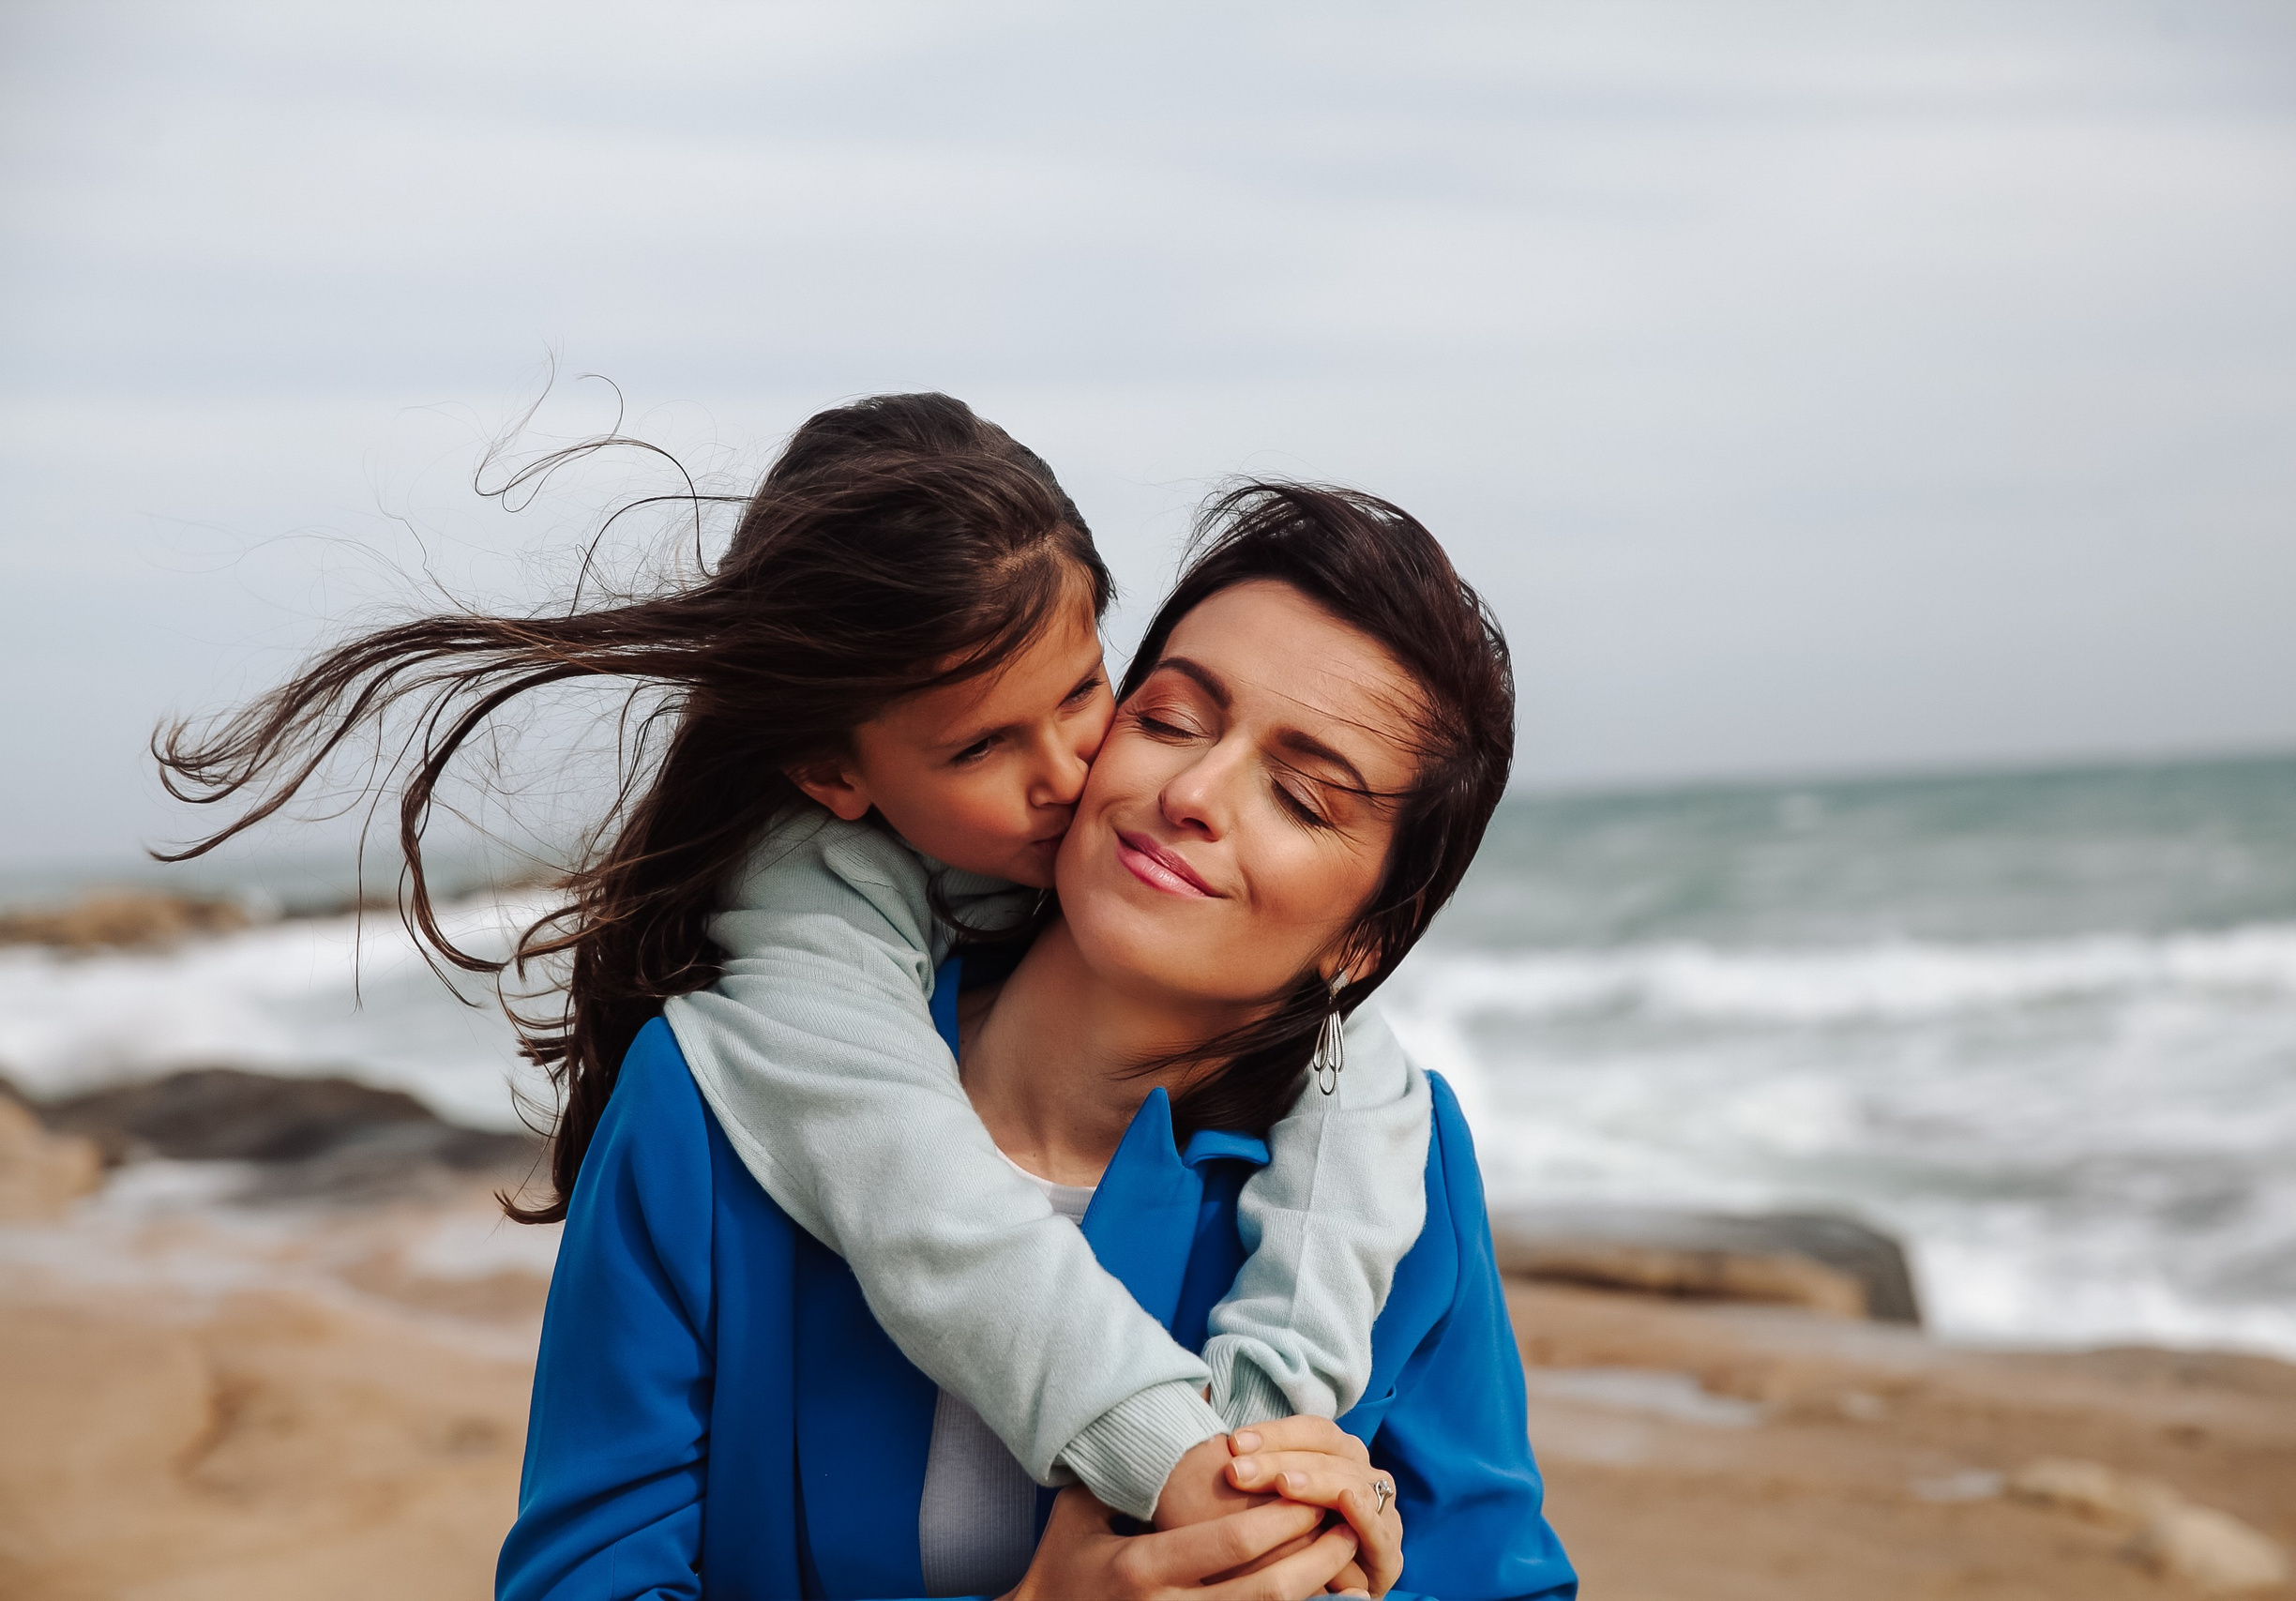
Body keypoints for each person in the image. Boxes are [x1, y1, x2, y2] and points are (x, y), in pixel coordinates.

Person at [148, 399, 1440, 1561]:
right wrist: (1156, 1496)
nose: (1070, 772)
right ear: (837, 775)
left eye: (1094, 693)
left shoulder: (1391, 1141)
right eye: (985, 743)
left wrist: (1285, 1515)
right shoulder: (712, 1092)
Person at [496, 483, 1575, 1597]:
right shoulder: (702, 1106)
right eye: (1167, 719)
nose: (1196, 790)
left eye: (1299, 796)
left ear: (1369, 938)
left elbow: (1496, 1577)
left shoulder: (1400, 1170)